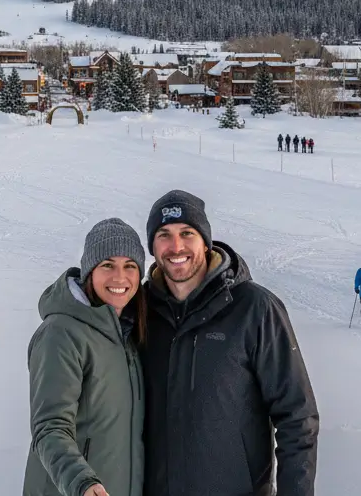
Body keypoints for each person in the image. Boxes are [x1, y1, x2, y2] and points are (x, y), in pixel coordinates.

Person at [141, 190, 318, 496]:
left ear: (205, 242)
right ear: (153, 247)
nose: (176, 246)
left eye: (187, 233)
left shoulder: (254, 308)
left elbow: (297, 418)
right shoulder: (141, 312)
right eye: (164, 235)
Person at [23, 218, 146, 496]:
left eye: (130, 266)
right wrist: (81, 481)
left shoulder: (128, 336)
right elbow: (49, 427)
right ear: (90, 271)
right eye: (107, 265)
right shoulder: (61, 333)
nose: (119, 277)